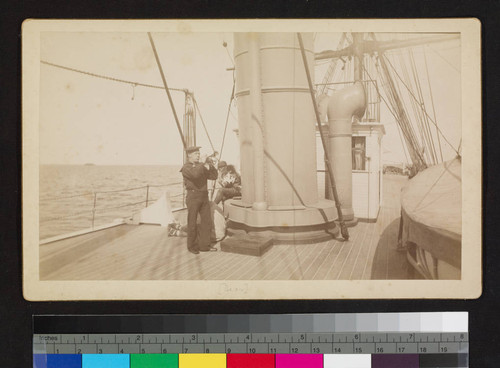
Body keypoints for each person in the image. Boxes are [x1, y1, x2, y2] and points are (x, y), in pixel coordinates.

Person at [180, 146, 218, 254]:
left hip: (204, 196)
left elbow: (214, 176)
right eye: (196, 153)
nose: (198, 155)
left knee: (206, 222)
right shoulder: (186, 168)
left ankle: (204, 245)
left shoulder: (200, 166)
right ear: (189, 155)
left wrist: (210, 165)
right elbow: (195, 175)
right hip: (193, 197)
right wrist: (203, 164)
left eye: (198, 153)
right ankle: (192, 246)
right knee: (192, 222)